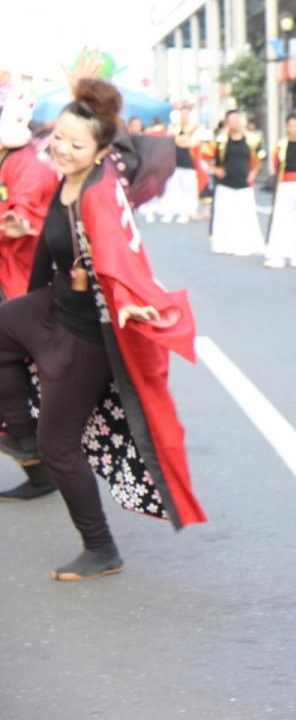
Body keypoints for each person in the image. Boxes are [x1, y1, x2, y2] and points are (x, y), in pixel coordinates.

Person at [0, 78, 205, 579]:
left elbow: (116, 253)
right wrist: (85, 93)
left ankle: (100, 547)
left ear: (99, 152)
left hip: (89, 329)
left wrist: (134, 303)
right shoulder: (63, 172)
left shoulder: (98, 194)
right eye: (59, 138)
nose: (63, 148)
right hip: (53, 304)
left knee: (61, 444)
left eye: (76, 143)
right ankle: (23, 442)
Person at [0, 87, 61, 502]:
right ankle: (38, 469)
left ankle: (26, 442)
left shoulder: (27, 167)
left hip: (22, 281)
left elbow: (20, 217)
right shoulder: (12, 161)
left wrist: (18, 220)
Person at [207, 109, 266, 257]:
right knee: (225, 216)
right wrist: (216, 169)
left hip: (244, 183)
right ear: (227, 122)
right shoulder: (220, 141)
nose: (235, 123)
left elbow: (260, 158)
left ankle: (248, 244)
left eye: (237, 119)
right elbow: (205, 155)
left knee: (247, 215)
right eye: (232, 120)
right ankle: (225, 244)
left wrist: (253, 173)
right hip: (225, 183)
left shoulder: (251, 139)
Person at [264, 113, 296, 269]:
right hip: (285, 183)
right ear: (287, 127)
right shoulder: (281, 145)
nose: (295, 129)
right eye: (292, 125)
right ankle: (277, 253)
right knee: (281, 219)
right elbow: (276, 166)